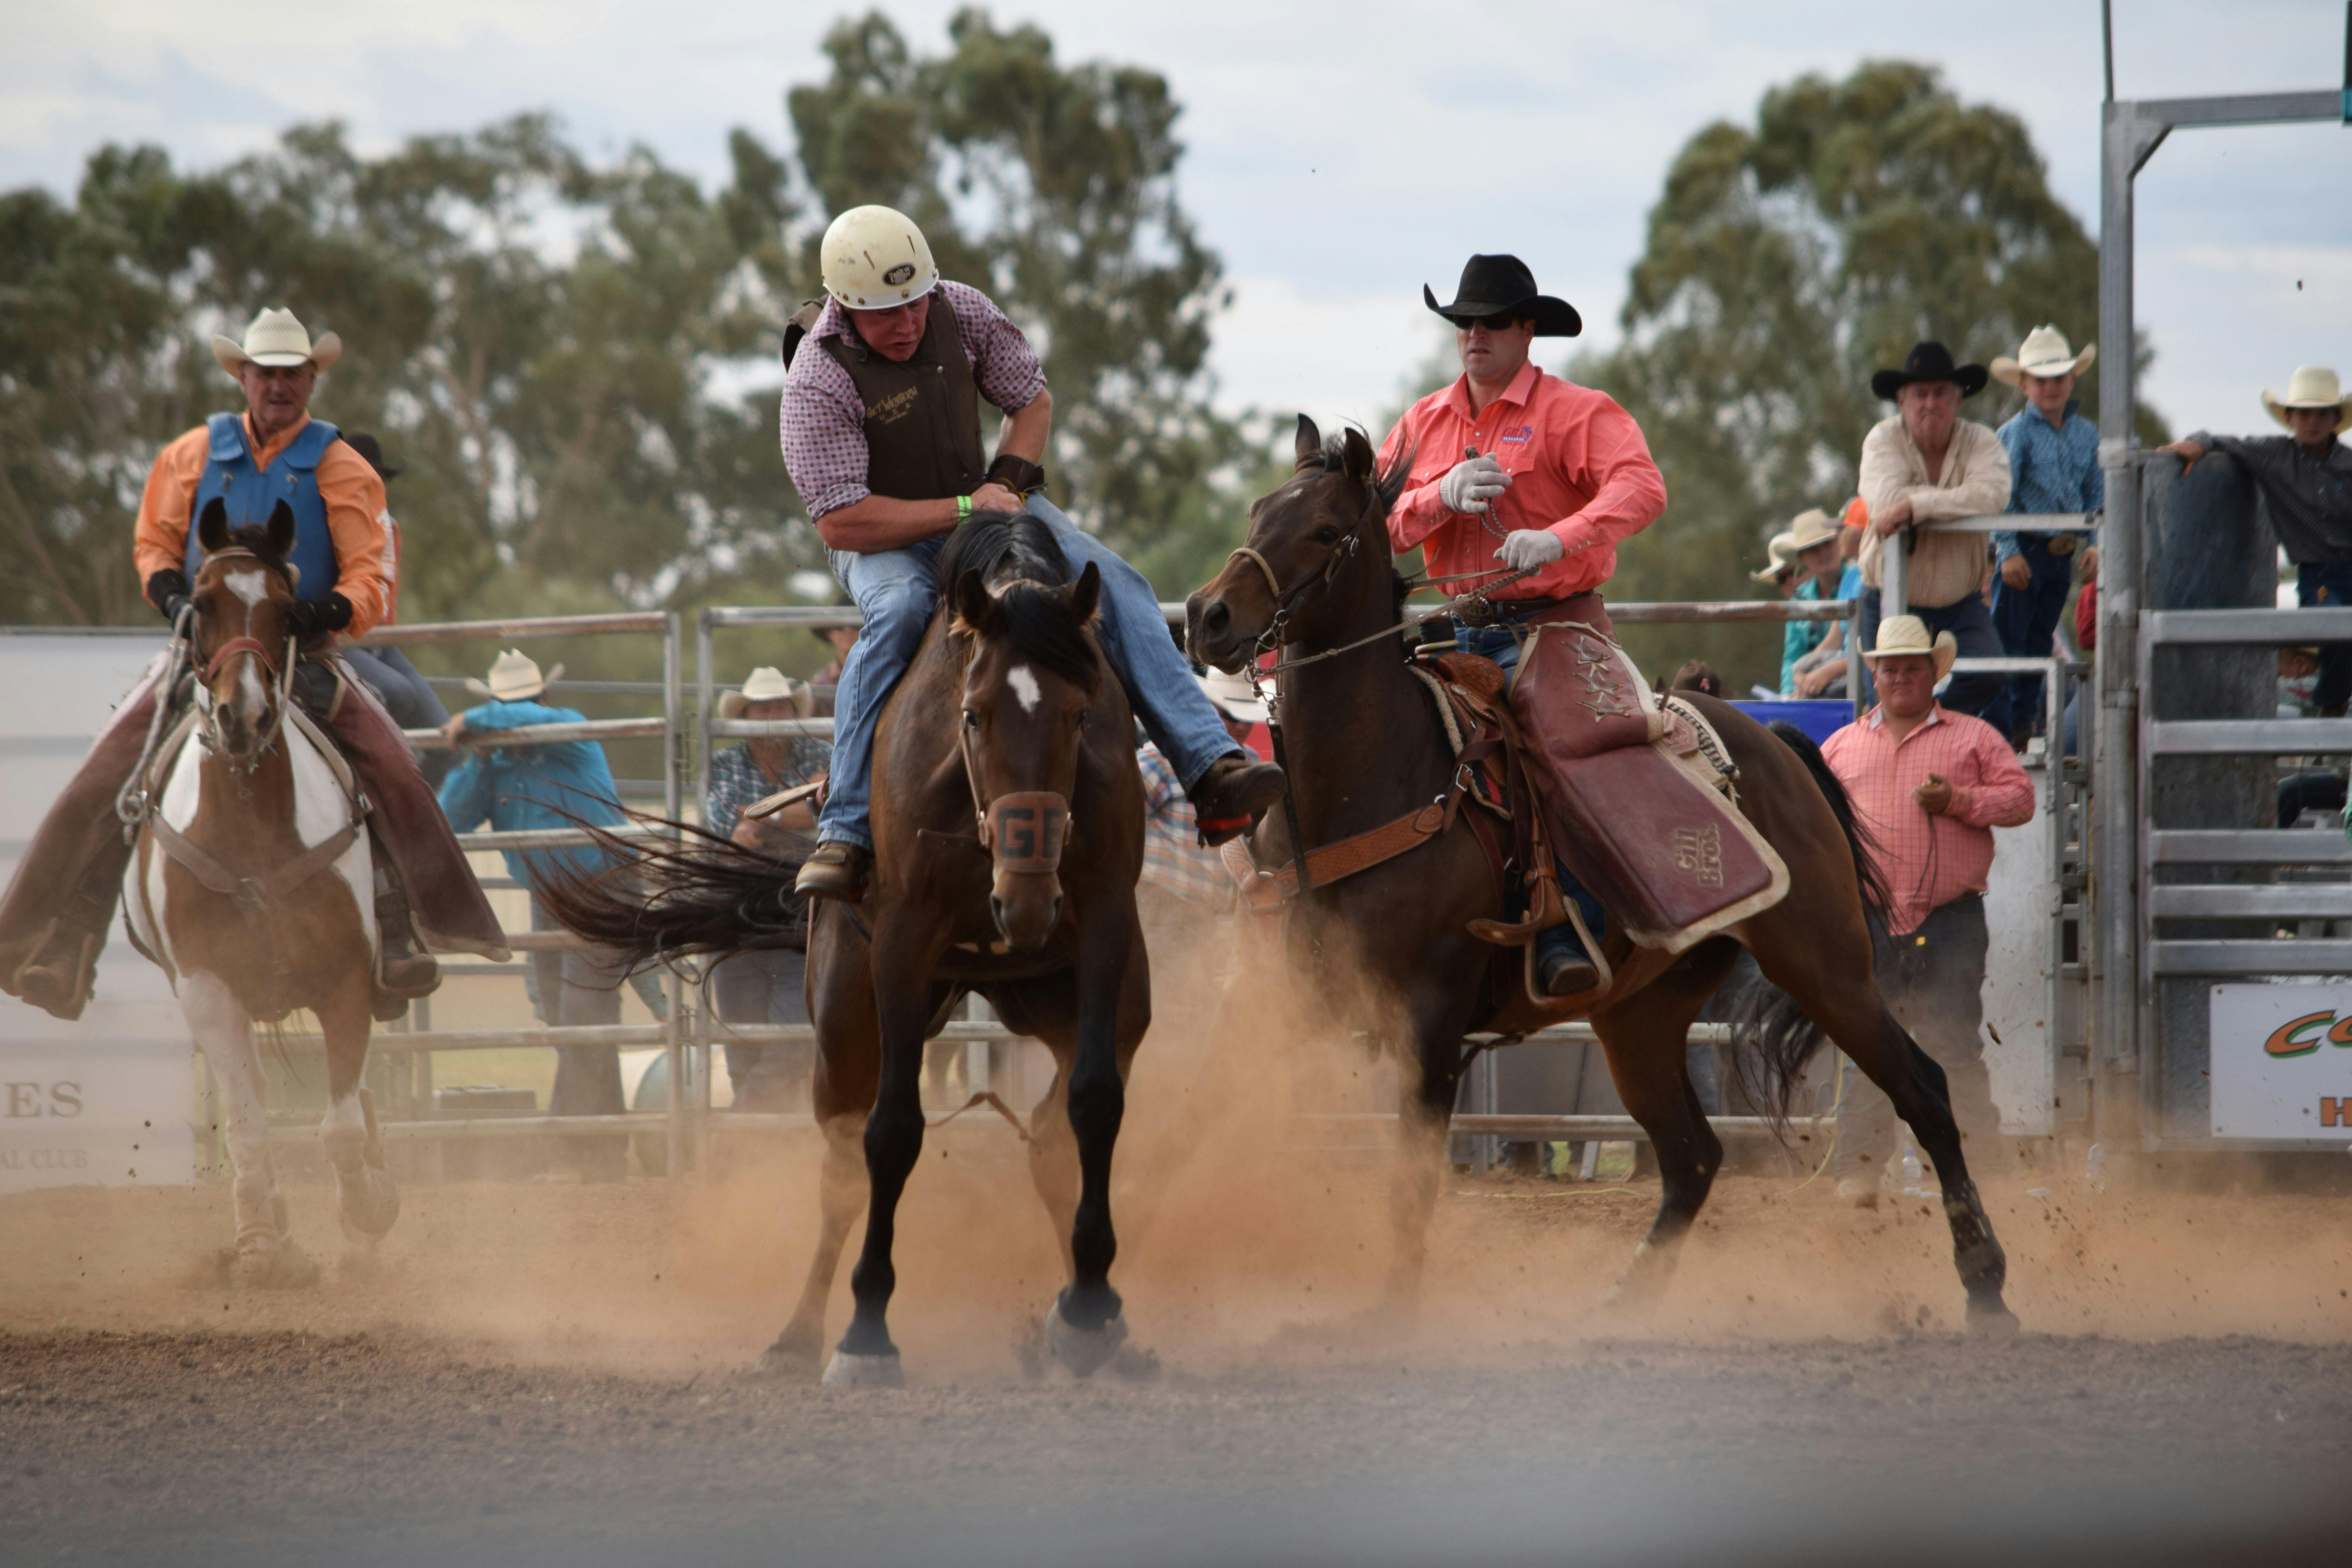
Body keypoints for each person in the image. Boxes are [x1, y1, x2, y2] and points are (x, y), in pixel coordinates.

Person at [0, 308, 505, 1020]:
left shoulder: (342, 465)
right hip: (202, 650)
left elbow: (372, 574)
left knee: (395, 767)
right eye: (266, 373)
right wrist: (172, 596)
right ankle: (63, 941)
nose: (278, 386)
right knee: (105, 770)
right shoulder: (192, 453)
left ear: (312, 379)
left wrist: (324, 610)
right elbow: (154, 544)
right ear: (243, 376)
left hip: (308, 652)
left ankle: (401, 928)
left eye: (292, 373)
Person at [778, 204, 1284, 902]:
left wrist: (1004, 485)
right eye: (887, 314)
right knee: (900, 609)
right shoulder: (817, 377)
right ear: (846, 307)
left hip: (985, 500)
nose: (909, 323)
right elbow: (841, 522)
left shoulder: (964, 310)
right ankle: (846, 827)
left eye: (917, 303)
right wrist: (967, 510)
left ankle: (1210, 765)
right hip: (882, 534)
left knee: (1114, 581)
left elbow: (1031, 402)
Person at [1378, 253, 1670, 995]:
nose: (1476, 334)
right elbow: (1375, 528)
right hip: (1453, 633)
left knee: (1561, 750)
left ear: (1527, 330)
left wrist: (1560, 538)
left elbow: (1643, 488)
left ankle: (1567, 924)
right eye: (1464, 322)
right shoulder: (1422, 422)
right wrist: (1436, 497)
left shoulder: (1575, 411)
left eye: (1495, 322)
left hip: (1554, 629)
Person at [1820, 615, 2035, 1206]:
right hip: (1868, 918)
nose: (1899, 678)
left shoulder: (1974, 737)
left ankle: (1974, 1171)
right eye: (1889, 668)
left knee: (1950, 1045)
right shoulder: (1840, 747)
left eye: (1911, 668)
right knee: (1868, 1044)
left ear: (1932, 674)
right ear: (1875, 675)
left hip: (1949, 918)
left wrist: (1959, 800)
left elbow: (2021, 800)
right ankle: (1861, 1171)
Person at [436, 650, 634, 1180]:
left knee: (581, 1018)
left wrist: (475, 719)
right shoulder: (497, 766)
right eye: (508, 706)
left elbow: (536, 722)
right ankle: (601, 1149)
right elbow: (449, 818)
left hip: (600, 888)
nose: (516, 716)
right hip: (551, 898)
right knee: (570, 1021)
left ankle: (572, 1146)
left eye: (522, 705)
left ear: (542, 701)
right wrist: (480, 758)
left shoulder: (568, 731)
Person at [2161, 365, 2352, 713]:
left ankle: (2331, 705)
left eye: (2322, 413)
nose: (2312, 422)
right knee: (2335, 625)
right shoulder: (2274, 455)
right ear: (2290, 418)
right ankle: (2332, 706)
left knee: (2339, 629)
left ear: (2336, 418)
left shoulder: (2349, 464)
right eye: (2304, 413)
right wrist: (2197, 443)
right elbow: (2224, 441)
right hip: (2320, 575)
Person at [1855, 341, 2014, 730]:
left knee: (1990, 673)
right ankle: (1907, 736)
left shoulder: (1981, 441)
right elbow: (1885, 500)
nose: (1931, 403)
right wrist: (1949, 502)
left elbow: (1993, 494)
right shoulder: (1882, 439)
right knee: (1880, 697)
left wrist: (1914, 508)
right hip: (1887, 598)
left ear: (1958, 399)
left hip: (1959, 602)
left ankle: (1929, 728)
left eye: (1941, 392)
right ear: (1901, 400)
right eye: (1920, 394)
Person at [704, 666, 831, 1109]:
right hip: (739, 913)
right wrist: (796, 807)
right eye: (762, 709)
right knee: (743, 1042)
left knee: (794, 1036)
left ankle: (739, 1125)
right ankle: (760, 1135)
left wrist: (761, 816)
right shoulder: (725, 763)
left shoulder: (820, 751)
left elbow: (826, 814)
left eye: (780, 707)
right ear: (746, 716)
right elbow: (723, 827)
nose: (773, 717)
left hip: (801, 914)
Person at [1989, 327, 2102, 747]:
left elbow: (2097, 493)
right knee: (2009, 642)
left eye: (2058, 378)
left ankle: (2022, 725)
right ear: (2024, 385)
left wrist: (2097, 545)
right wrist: (2008, 550)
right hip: (2026, 551)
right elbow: (2000, 493)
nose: (2050, 387)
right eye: (2041, 379)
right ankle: (2001, 729)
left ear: (2072, 380)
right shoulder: (2016, 432)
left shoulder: (2087, 435)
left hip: (2059, 557)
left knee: (2039, 641)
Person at [333, 431, 457, 784]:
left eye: (377, 478)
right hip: (346, 638)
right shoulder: (331, 523)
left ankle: (412, 808)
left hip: (383, 641)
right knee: (398, 693)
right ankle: (376, 787)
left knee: (448, 742)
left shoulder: (391, 528)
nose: (372, 484)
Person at [1790, 506, 1867, 699]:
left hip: (1865, 678)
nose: (1839, 536)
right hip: (1848, 672)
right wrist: (1802, 672)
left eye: (1842, 530)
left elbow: (1871, 648)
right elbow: (1834, 639)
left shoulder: (1872, 579)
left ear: (1857, 535)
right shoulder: (1851, 577)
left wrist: (1826, 672)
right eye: (1813, 549)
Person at [1770, 509, 1848, 697]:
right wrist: (1789, 694)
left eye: (1826, 544)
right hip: (1809, 689)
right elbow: (1793, 654)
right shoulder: (1799, 599)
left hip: (1851, 687)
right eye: (1813, 548)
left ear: (1838, 543)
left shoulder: (1858, 583)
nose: (1822, 553)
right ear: (1802, 557)